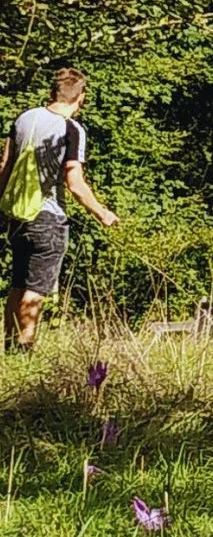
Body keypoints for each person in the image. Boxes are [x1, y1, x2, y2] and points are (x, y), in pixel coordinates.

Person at [2, 67, 117, 353]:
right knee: (36, 290)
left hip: (17, 215)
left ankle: (7, 349)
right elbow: (74, 182)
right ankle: (23, 352)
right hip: (48, 218)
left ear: (52, 92)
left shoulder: (24, 118)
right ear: (81, 98)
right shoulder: (71, 129)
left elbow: (5, 166)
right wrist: (102, 213)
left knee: (17, 285)